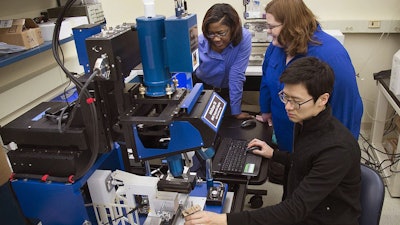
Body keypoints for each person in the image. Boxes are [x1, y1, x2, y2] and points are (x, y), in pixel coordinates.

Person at [184, 56, 361, 225]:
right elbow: (306, 160)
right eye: (286, 97)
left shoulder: (337, 149)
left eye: (296, 101)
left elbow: (294, 210)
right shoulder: (306, 121)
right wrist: (274, 154)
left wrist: (224, 220)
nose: (288, 107)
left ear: (323, 99)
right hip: (304, 210)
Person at [256, 0, 363, 154]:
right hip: (284, 133)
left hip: (316, 142)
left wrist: (340, 152)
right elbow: (267, 79)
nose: (268, 31)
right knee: (289, 168)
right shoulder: (277, 47)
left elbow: (346, 107)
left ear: (291, 25)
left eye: (272, 27)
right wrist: (265, 111)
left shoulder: (331, 55)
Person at [194, 3, 253, 119]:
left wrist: (236, 111)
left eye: (221, 33)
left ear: (233, 28)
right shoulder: (200, 42)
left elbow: (236, 74)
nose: (216, 39)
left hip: (228, 93)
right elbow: (187, 72)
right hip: (203, 90)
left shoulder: (243, 38)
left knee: (229, 129)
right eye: (211, 33)